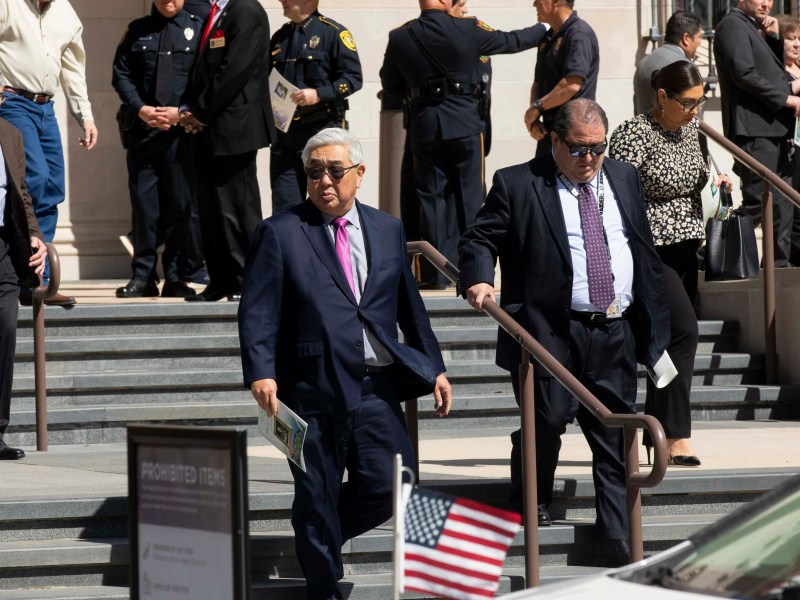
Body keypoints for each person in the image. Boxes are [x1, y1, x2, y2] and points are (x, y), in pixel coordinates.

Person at [238, 128, 452, 599]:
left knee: (394, 482)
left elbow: (408, 307)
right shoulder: (280, 232)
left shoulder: (387, 229)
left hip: (375, 388)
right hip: (308, 388)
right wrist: (260, 370)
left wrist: (432, 365)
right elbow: (257, 310)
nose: (324, 182)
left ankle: (322, 539)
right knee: (315, 493)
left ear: (359, 173)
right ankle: (323, 587)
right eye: (314, 173)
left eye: (335, 171)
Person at [459, 99, 670, 567]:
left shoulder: (622, 177)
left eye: (597, 148)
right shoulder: (517, 183)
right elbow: (479, 237)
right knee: (548, 419)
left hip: (614, 329)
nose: (589, 159)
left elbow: (638, 245)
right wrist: (478, 276)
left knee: (617, 435)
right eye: (577, 149)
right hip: (548, 331)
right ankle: (531, 497)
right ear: (553, 140)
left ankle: (618, 540)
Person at [611, 61, 733, 466]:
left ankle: (653, 432)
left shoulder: (690, 133)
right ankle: (677, 434)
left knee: (664, 342)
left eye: (698, 102)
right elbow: (619, 197)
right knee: (684, 331)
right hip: (649, 251)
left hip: (686, 249)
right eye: (687, 103)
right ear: (661, 96)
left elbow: (695, 180)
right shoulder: (633, 134)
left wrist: (717, 185)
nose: (695, 111)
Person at [380, 0, 546, 289]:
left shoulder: (400, 36)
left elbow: (390, 85)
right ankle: (473, 270)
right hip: (466, 126)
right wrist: (543, 27)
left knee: (430, 200)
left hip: (425, 128)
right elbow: (512, 41)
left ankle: (434, 274)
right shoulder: (468, 29)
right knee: (471, 199)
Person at [0, 0, 98, 308]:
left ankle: (39, 281)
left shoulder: (65, 13)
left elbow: (72, 68)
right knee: (35, 178)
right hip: (13, 102)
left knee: (53, 185)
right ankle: (24, 273)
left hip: (46, 108)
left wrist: (85, 115)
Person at [180, 0, 276, 302]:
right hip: (210, 129)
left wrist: (200, 112)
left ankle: (249, 280)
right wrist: (186, 107)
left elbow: (234, 68)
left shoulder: (246, 9)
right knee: (211, 210)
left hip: (234, 127)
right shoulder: (217, 12)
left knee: (238, 210)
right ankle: (222, 280)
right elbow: (200, 70)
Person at [112, 0, 202, 299]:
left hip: (182, 135)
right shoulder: (136, 31)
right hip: (144, 135)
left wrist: (184, 111)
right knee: (144, 208)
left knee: (180, 206)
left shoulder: (197, 29)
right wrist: (140, 109)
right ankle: (143, 276)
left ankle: (176, 277)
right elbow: (120, 74)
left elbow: (207, 80)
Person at [714, 0, 800, 267]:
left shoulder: (754, 28)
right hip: (755, 132)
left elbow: (770, 73)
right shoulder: (732, 25)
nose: (766, 3)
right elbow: (745, 75)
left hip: (774, 132)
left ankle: (779, 271)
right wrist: (788, 99)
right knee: (755, 204)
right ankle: (709, 257)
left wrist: (774, 38)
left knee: (782, 206)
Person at [270, 0, 363, 214]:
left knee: (327, 203)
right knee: (285, 208)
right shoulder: (279, 38)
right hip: (285, 136)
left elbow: (353, 79)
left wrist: (319, 94)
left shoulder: (333, 33)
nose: (281, 1)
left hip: (322, 133)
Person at [0, 114, 48, 460]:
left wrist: (35, 236)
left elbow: (22, 194)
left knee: (4, 328)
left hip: (3, 244)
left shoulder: (10, 134)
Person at [523, 0, 599, 158]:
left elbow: (571, 85)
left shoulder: (578, 34)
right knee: (541, 181)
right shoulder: (547, 38)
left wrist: (536, 108)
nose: (534, 4)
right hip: (550, 131)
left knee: (568, 182)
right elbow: (538, 83)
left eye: (539, 0)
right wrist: (535, 120)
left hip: (574, 132)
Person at [633, 11, 704, 115]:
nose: (700, 42)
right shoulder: (685, 67)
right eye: (699, 37)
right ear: (686, 38)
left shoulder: (643, 63)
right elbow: (694, 115)